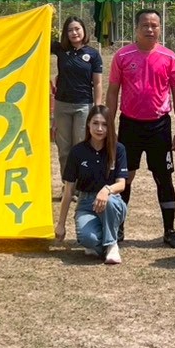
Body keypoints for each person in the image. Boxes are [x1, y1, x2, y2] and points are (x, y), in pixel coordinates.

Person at [105, 8, 175, 248]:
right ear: (136, 28)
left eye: (154, 25)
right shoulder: (123, 56)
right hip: (129, 125)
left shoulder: (169, 57)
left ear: (160, 28)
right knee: (124, 177)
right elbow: (112, 92)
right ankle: (118, 227)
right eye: (145, 25)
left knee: (164, 178)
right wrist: (109, 127)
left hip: (159, 126)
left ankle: (169, 230)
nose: (150, 29)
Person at [55, 104, 128, 264]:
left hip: (111, 201)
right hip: (86, 204)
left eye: (104, 124)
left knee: (109, 202)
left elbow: (121, 184)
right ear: (88, 124)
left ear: (110, 127)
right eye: (95, 123)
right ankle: (102, 240)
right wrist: (61, 224)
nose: (99, 129)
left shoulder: (118, 149)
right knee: (88, 239)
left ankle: (112, 245)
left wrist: (106, 190)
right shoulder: (77, 152)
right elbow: (68, 191)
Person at [51, 15, 105, 172]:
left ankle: (81, 184)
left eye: (77, 29)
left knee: (80, 147)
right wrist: (50, 15)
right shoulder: (60, 49)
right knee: (64, 149)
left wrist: (97, 108)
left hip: (83, 106)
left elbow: (98, 83)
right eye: (70, 30)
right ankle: (67, 183)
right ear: (65, 33)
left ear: (84, 30)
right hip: (62, 106)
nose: (74, 33)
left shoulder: (93, 54)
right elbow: (41, 37)